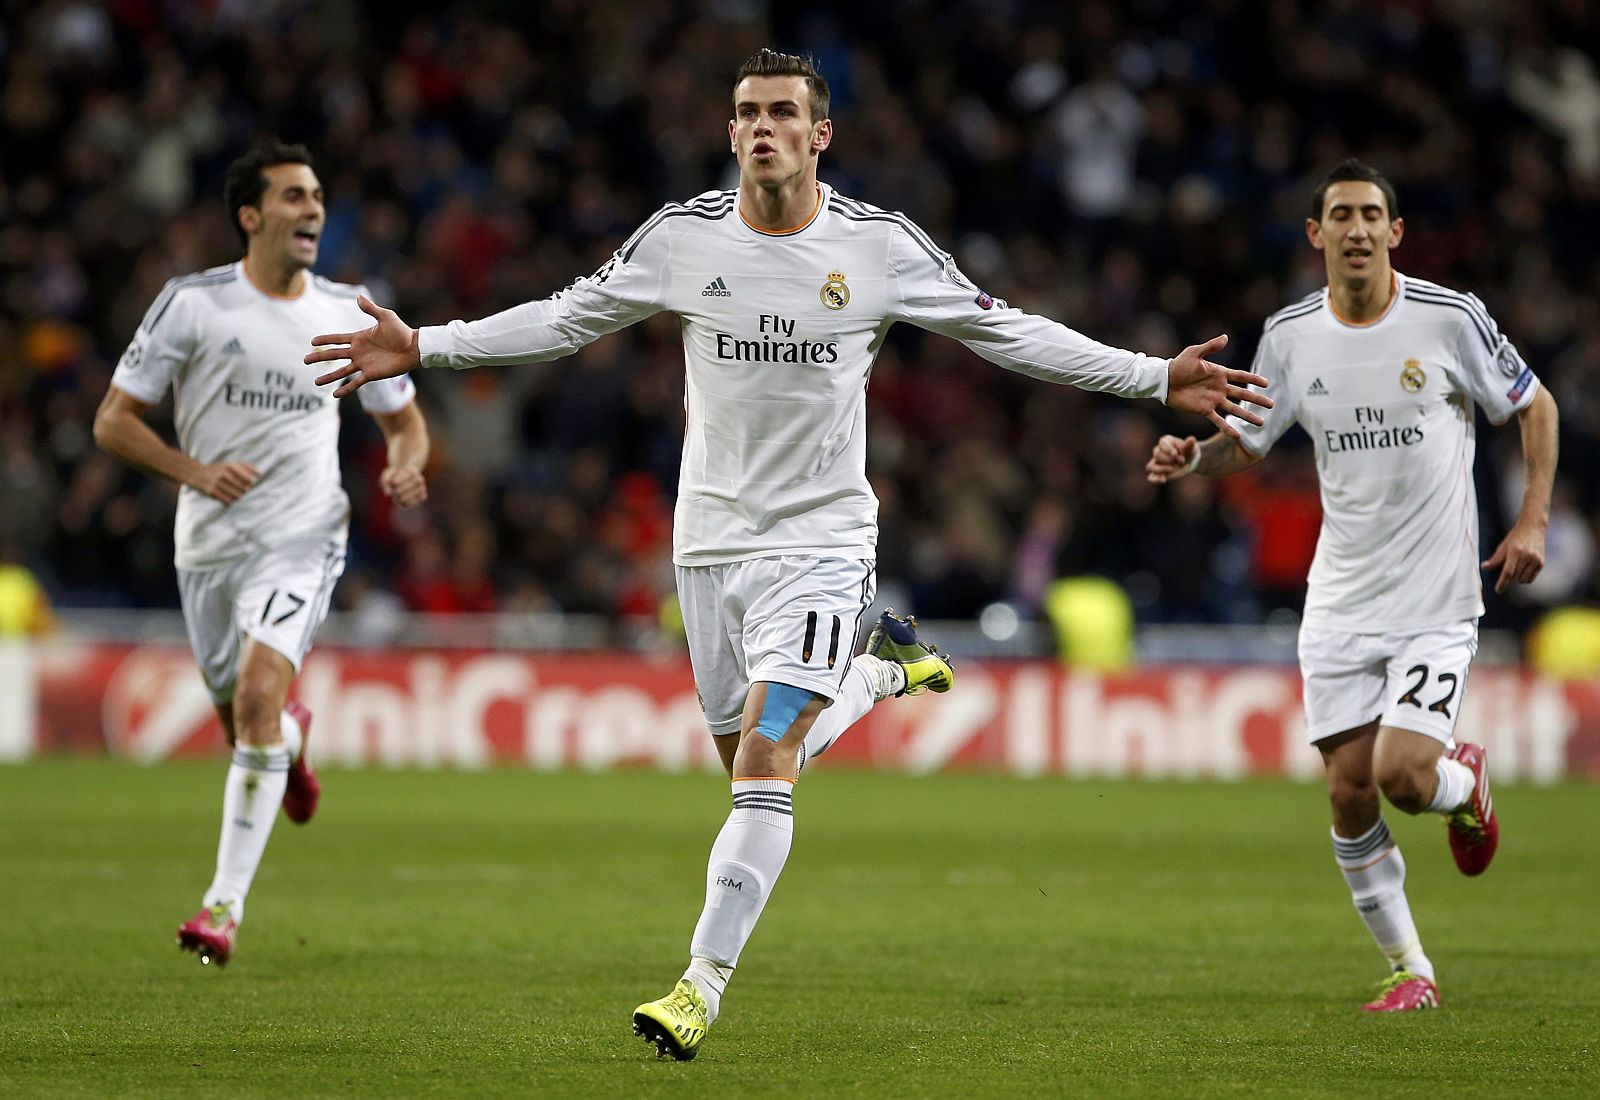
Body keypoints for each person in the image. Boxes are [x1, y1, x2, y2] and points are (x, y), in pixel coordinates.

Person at [307, 49, 1272, 1058]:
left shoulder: (880, 248)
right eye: (746, 113)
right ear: (729, 135)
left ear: (820, 136)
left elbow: (1007, 332)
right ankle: (877, 671)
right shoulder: (683, 238)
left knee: (765, 757)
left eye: (782, 112)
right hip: (710, 543)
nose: (761, 127)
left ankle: (697, 987)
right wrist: (426, 344)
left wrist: (1149, 375)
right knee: (756, 766)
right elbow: (563, 317)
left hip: (820, 538)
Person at [1145, 159, 1558, 1012]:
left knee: (1406, 777)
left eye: (1373, 215)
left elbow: (1536, 406)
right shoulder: (1292, 333)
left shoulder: (1448, 320)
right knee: (1347, 790)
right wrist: (1195, 458)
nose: (1359, 229)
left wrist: (1533, 522)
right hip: (1339, 598)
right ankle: (1413, 971)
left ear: (1396, 232)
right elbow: (1250, 441)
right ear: (1316, 234)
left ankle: (1460, 782)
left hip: (1437, 599)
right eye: (1342, 215)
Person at [94, 140, 430, 967]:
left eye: (316, 196)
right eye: (291, 197)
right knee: (242, 718)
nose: (312, 209)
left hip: (303, 533)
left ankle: (221, 908)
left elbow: (405, 418)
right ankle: (291, 735)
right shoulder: (193, 305)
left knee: (250, 699)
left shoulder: (352, 309)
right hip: (207, 544)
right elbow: (113, 421)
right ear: (251, 217)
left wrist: (406, 459)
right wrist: (194, 472)